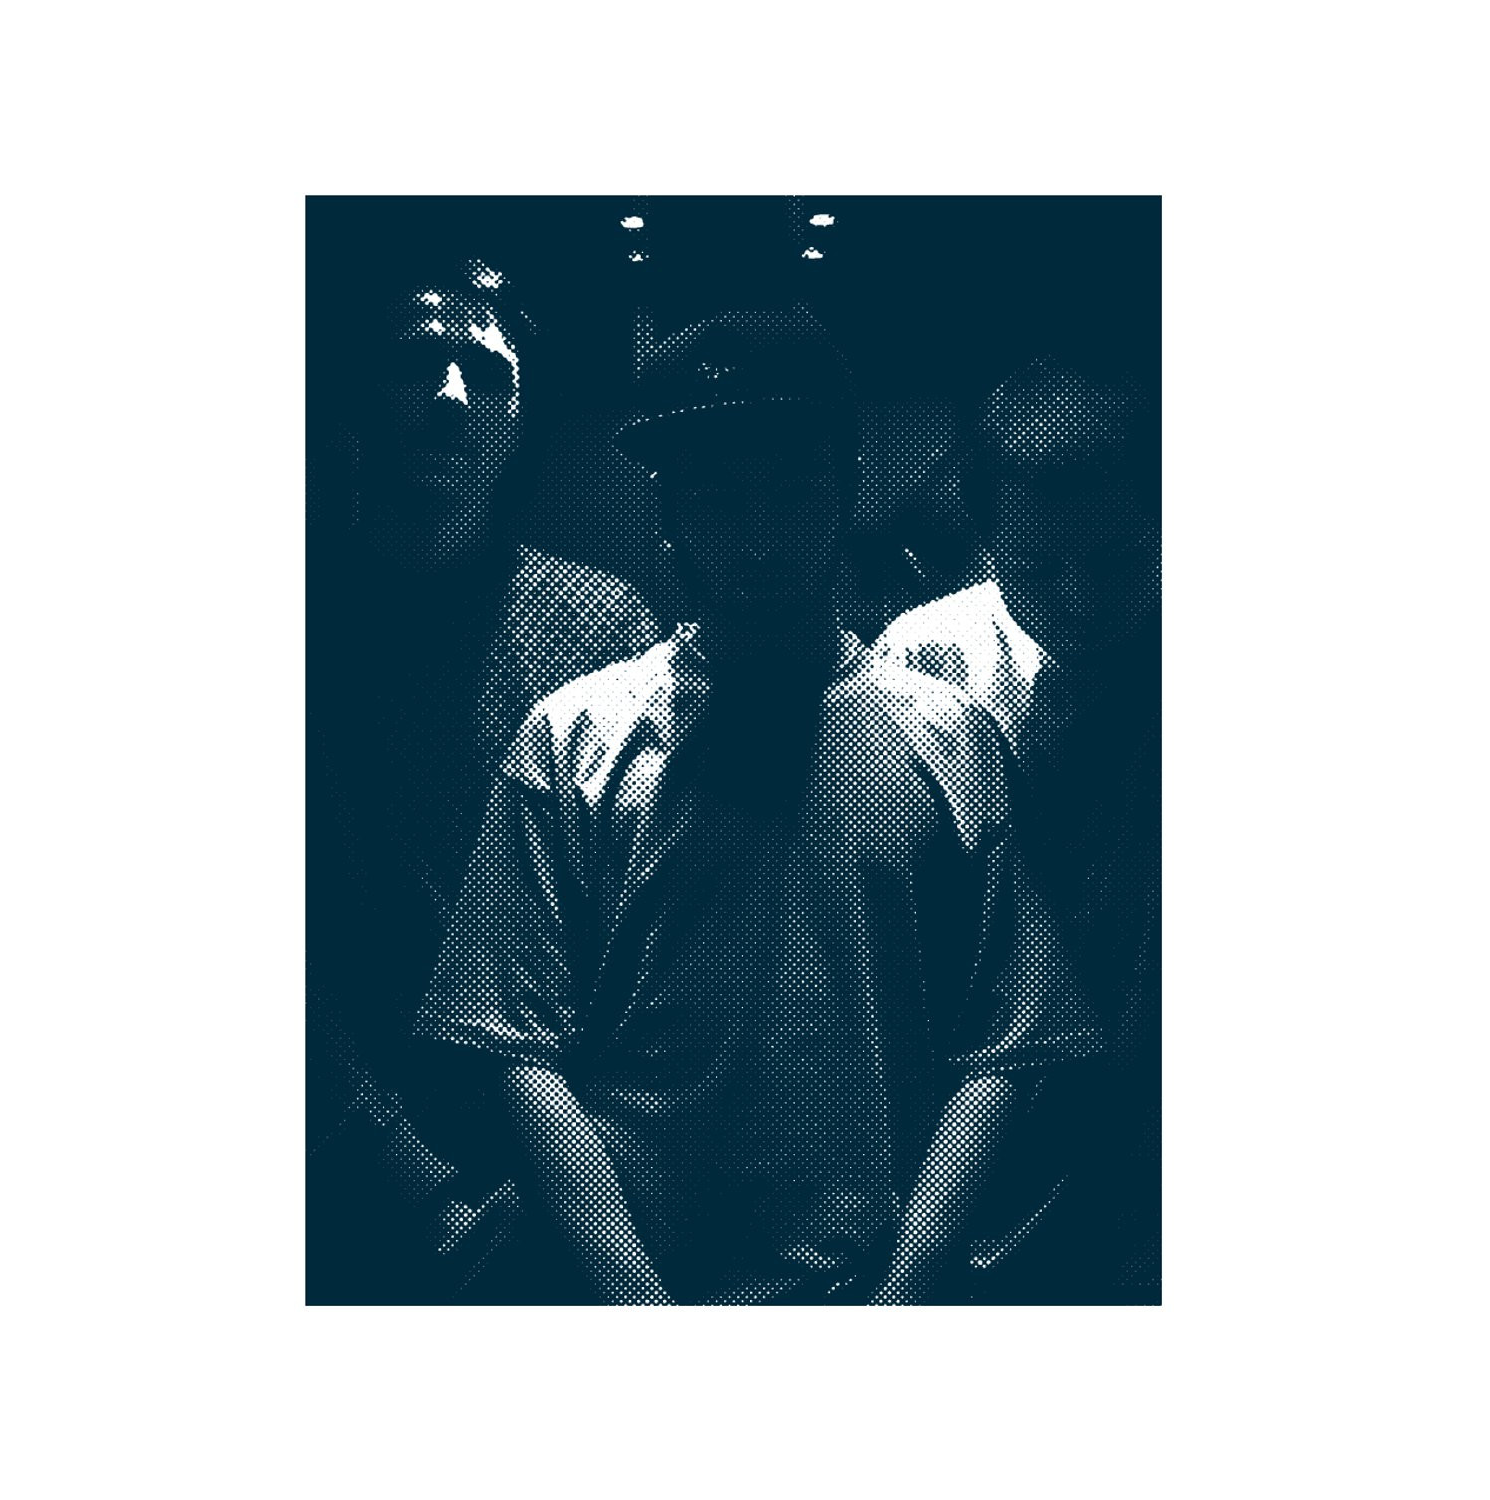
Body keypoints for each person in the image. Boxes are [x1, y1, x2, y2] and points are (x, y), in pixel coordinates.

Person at [409, 308, 1102, 1305]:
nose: (759, 536)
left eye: (792, 491)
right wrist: (637, 1306)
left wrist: (904, 1299)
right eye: (718, 497)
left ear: (846, 489)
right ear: (669, 511)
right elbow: (517, 1049)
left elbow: (1006, 1044)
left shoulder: (952, 739)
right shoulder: (574, 741)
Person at [307, 250, 662, 1302]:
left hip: (588, 1165)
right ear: (354, 395)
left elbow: (659, 923)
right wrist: (409, 1184)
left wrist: (584, 1171)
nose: (453, 397)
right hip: (348, 1185)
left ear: (521, 414)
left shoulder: (602, 626)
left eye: (490, 372)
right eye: (418, 362)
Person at [876, 355, 1161, 1300]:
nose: (1080, 603)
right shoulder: (931, 662)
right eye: (1035, 570)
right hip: (970, 1156)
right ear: (988, 545)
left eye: (1120, 561)